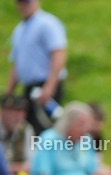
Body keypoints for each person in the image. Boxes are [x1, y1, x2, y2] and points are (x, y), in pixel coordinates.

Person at [4, 0, 67, 133]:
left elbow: (58, 54)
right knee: (29, 129)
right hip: (29, 88)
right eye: (21, 3)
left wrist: (50, 86)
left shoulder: (48, 23)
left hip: (46, 86)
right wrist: (8, 94)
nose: (24, 5)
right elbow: (17, 63)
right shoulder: (19, 29)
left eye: (27, 2)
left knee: (44, 129)